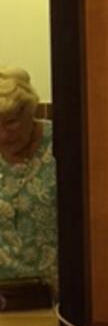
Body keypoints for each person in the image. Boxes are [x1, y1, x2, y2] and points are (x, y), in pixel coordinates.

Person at [0, 67, 57, 287]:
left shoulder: (63, 143)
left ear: (30, 110)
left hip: (60, 295)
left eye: (11, 122)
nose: (3, 135)